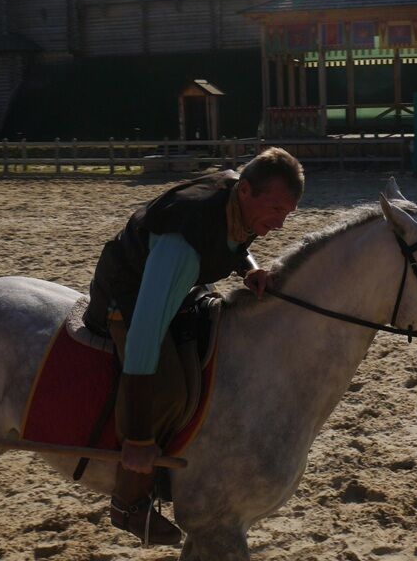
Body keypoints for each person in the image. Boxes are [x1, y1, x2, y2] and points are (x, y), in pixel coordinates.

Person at [83, 147, 304, 544]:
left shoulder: (242, 201)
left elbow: (232, 240)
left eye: (287, 213)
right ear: (247, 191)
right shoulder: (182, 241)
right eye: (275, 210)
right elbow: (145, 337)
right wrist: (137, 437)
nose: (280, 224)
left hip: (179, 282)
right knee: (166, 388)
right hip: (127, 293)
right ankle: (129, 502)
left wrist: (249, 267)